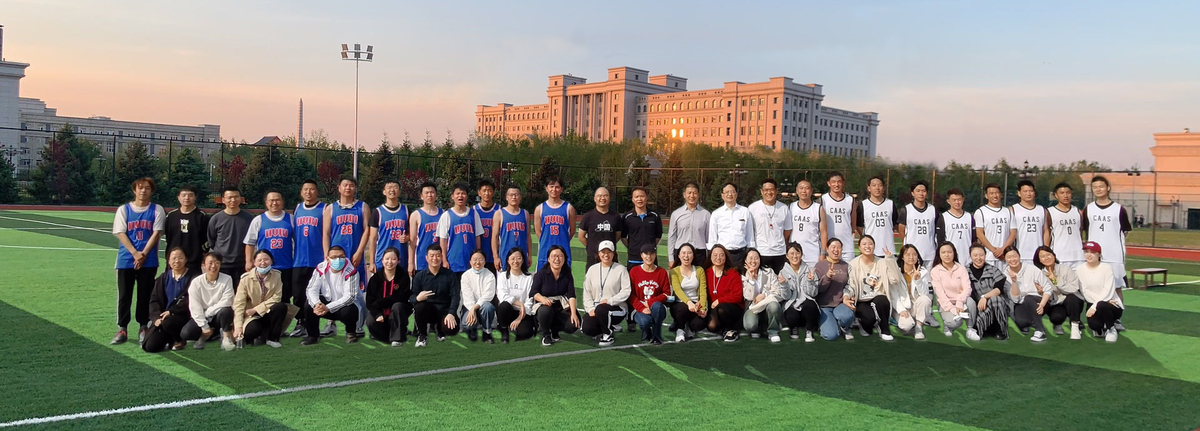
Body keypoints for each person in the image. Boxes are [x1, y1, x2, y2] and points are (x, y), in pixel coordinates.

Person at [111, 177, 166, 345]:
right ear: (134, 190)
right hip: (126, 259)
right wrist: (135, 253)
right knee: (124, 295)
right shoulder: (124, 209)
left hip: (148, 260)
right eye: (140, 188)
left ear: (151, 191)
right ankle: (122, 328)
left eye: (147, 188)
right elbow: (120, 233)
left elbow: (156, 233)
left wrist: (143, 254)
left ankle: (143, 326)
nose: (143, 191)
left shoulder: (157, 210)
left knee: (145, 295)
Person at [323, 177, 371, 338]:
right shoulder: (331, 208)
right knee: (332, 290)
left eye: (351, 185)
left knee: (357, 292)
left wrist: (359, 252)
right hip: (336, 258)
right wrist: (327, 255)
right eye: (345, 185)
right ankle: (331, 324)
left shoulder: (363, 207)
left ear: (355, 188)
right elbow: (326, 233)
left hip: (355, 256)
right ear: (339, 187)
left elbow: (367, 230)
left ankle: (358, 325)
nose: (348, 188)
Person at [1083, 175, 1132, 331]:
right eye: (1095, 187)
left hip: (1114, 255)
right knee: (1094, 287)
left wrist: (1113, 244)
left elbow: (1125, 231)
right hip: (1094, 256)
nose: (1098, 189)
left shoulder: (1119, 209)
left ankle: (1116, 319)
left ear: (1108, 188)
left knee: (1116, 289)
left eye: (1101, 186)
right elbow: (1085, 229)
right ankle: (1098, 319)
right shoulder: (1089, 209)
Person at [242, 191, 294, 322]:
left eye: (277, 200)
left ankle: (281, 327)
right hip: (264, 267)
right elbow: (250, 243)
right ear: (266, 202)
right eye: (271, 200)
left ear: (282, 201)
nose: (274, 203)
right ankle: (262, 325)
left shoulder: (291, 219)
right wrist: (248, 261)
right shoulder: (258, 220)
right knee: (264, 297)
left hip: (285, 266)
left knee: (284, 299)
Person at [233, 250, 299, 348]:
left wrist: (255, 309)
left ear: (271, 261)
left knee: (280, 306)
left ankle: (273, 338)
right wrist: (238, 327)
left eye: (266, 259)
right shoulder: (245, 279)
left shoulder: (277, 275)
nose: (263, 263)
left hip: (267, 312)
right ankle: (259, 335)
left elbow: (276, 298)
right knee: (252, 331)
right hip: (251, 316)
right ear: (254, 262)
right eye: (259, 260)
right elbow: (239, 304)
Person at [300, 246, 361, 345]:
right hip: (326, 301)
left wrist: (328, 307)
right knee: (308, 305)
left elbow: (350, 297)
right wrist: (317, 304)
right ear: (328, 259)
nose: (338, 260)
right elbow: (311, 289)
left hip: (343, 306)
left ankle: (351, 332)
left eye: (341, 257)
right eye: (334, 257)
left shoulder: (351, 272)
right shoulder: (320, 268)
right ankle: (312, 336)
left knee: (350, 310)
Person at [143, 248, 201, 352]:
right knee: (150, 346)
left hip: (183, 315)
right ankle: (170, 337)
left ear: (186, 259)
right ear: (168, 261)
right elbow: (154, 299)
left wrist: (172, 311)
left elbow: (192, 299)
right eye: (173, 258)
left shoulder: (194, 277)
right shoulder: (164, 277)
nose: (177, 261)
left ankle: (179, 339)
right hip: (164, 318)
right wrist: (156, 318)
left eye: (180, 258)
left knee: (168, 323)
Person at [290, 179, 326, 337]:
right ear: (301, 192)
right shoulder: (297, 208)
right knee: (298, 294)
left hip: (318, 259)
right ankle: (300, 322)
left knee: (317, 293)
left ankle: (315, 323)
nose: (308, 192)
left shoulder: (324, 208)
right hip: (299, 259)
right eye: (305, 189)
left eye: (312, 189)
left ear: (317, 191)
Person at [845, 235, 897, 341]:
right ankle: (863, 323)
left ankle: (884, 330)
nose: (867, 246)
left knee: (882, 300)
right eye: (864, 244)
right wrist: (846, 296)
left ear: (874, 246)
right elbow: (851, 284)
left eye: (870, 244)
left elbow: (895, 279)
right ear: (859, 247)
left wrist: (890, 260)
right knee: (869, 320)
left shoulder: (882, 262)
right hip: (862, 300)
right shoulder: (853, 264)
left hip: (878, 297)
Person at [581, 240, 631, 347]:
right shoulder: (592, 269)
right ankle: (609, 326)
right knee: (587, 328)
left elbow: (626, 291)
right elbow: (587, 292)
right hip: (596, 308)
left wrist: (610, 301)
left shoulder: (621, 269)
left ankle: (608, 334)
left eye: (609, 252)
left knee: (602, 309)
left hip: (617, 308)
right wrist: (590, 308)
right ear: (599, 254)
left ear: (613, 254)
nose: (606, 255)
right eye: (603, 252)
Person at [410, 244, 461, 347]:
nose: (435, 258)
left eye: (438, 255)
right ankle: (422, 335)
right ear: (426, 258)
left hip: (444, 310)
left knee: (452, 329)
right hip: (428, 311)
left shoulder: (450, 275)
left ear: (442, 257)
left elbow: (455, 296)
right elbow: (411, 297)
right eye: (432, 256)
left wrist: (451, 313)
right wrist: (417, 298)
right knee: (419, 307)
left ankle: (440, 329)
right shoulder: (420, 276)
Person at [529, 245, 580, 346]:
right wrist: (543, 299)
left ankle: (555, 331)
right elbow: (533, 292)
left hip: (560, 304)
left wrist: (573, 313)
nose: (557, 259)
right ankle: (546, 334)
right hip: (545, 305)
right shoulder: (541, 274)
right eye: (554, 256)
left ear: (564, 258)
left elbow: (571, 295)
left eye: (560, 256)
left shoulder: (567, 274)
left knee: (573, 324)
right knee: (546, 311)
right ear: (548, 259)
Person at [185, 252, 236, 351]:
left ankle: (226, 338)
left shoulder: (227, 279)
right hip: (202, 316)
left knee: (227, 310)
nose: (213, 266)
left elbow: (227, 301)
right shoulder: (196, 282)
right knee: (186, 333)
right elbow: (195, 307)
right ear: (203, 265)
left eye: (217, 263)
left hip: (217, 315)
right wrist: (204, 326)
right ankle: (206, 335)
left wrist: (208, 312)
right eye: (210, 263)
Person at [1032, 246, 1086, 339]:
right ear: (1039, 260)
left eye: (1048, 254)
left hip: (1072, 301)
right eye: (1043, 256)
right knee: (1056, 317)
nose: (1046, 258)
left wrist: (1056, 280)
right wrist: (1041, 292)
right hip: (1056, 303)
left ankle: (1075, 326)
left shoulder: (1066, 269)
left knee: (1072, 299)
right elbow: (1048, 297)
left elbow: (1074, 288)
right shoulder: (1040, 275)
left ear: (1054, 255)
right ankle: (1057, 323)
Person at [1075, 241, 1124, 342]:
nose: (1089, 255)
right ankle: (1102, 325)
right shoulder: (1079, 269)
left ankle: (1111, 328)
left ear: (1099, 254)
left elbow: (1108, 290)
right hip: (1097, 302)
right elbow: (1085, 291)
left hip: (1111, 304)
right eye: (1086, 251)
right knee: (1095, 325)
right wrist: (1099, 303)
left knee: (1102, 305)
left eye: (1092, 252)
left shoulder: (1107, 268)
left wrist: (1097, 305)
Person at [365, 247, 412, 347]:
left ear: (398, 261)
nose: (390, 262)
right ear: (382, 260)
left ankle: (397, 338)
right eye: (387, 259)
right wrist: (377, 314)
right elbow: (369, 301)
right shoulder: (375, 279)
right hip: (380, 310)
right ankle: (391, 335)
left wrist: (382, 302)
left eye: (393, 259)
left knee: (397, 306)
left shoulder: (403, 276)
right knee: (370, 321)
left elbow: (403, 297)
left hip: (398, 310)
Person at [437, 182, 484, 281]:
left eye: (463, 193)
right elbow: (443, 240)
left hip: (471, 262)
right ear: (452, 196)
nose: (460, 196)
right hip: (453, 262)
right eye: (457, 193)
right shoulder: (447, 215)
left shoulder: (474, 214)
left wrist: (478, 256)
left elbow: (477, 236)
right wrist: (444, 260)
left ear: (467, 196)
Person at [966, 243, 1013, 340]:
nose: (978, 258)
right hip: (978, 309)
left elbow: (998, 289)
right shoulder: (965, 271)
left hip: (996, 306)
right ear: (970, 256)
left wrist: (985, 297)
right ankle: (979, 327)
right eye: (975, 255)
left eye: (981, 255)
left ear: (985, 255)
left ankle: (1000, 330)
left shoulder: (993, 270)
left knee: (995, 299)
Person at [930, 241, 977, 338]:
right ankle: (948, 326)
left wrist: (959, 303)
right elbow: (940, 294)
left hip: (961, 301)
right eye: (943, 252)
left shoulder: (961, 268)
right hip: (946, 303)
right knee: (956, 322)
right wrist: (953, 309)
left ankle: (970, 328)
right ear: (939, 254)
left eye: (949, 252)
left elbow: (967, 288)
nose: (946, 255)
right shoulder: (935, 271)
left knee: (971, 302)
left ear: (954, 253)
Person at [208, 186, 254, 282]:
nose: (233, 200)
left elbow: (253, 240)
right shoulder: (216, 219)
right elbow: (211, 240)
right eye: (229, 197)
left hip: (242, 263)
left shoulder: (249, 218)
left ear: (241, 199)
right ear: (223, 200)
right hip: (221, 263)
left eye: (236, 197)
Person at [1003, 246, 1049, 342]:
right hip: (1021, 302)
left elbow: (1048, 288)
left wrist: (1042, 304)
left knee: (1028, 298)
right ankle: (1032, 320)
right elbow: (1015, 299)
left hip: (1038, 300)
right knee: (1022, 322)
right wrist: (1014, 282)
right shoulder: (1005, 275)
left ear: (1019, 256)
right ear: (1005, 259)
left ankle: (1040, 330)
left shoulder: (1032, 269)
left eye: (1014, 256)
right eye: (1009, 257)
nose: (1012, 259)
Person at [707, 182, 755, 272]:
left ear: (736, 194)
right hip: (723, 255)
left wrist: (750, 252)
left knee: (741, 278)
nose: (730, 194)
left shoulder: (745, 211)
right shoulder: (716, 214)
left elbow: (750, 235)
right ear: (722, 195)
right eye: (727, 192)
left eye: (732, 192)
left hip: (741, 254)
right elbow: (712, 238)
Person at [777, 242, 820, 342]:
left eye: (797, 253)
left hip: (806, 307)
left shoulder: (810, 270)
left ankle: (809, 330)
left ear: (802, 254)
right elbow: (786, 297)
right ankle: (793, 328)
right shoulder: (783, 272)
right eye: (791, 253)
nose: (795, 256)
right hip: (792, 304)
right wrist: (784, 285)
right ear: (787, 256)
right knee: (791, 315)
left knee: (810, 305)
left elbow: (813, 294)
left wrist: (810, 281)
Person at [814, 238, 855, 341]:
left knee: (847, 316)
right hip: (824, 306)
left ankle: (845, 328)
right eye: (833, 247)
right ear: (827, 249)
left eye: (839, 247)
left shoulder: (845, 265)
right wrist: (827, 277)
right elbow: (819, 289)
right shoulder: (820, 265)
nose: (836, 250)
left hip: (841, 304)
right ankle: (828, 325)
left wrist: (847, 296)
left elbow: (850, 285)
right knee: (831, 335)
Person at [749, 178, 792, 274]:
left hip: (779, 252)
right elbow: (750, 230)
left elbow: (787, 231)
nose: (769, 192)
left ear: (776, 191)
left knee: (779, 280)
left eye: (771, 189)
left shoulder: (784, 208)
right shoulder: (753, 208)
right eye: (766, 190)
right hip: (760, 251)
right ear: (761, 191)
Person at [629, 245, 670, 345]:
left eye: (651, 254)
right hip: (640, 307)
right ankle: (646, 331)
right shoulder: (634, 271)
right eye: (646, 254)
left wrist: (650, 302)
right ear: (641, 255)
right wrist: (642, 308)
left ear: (655, 255)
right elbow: (631, 295)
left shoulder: (661, 272)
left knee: (656, 306)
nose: (649, 257)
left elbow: (666, 293)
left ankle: (656, 335)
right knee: (645, 322)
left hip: (657, 307)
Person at [741, 248, 784, 342]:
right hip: (753, 307)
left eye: (756, 258)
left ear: (760, 260)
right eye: (750, 258)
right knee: (750, 325)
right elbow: (748, 297)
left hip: (768, 305)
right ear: (745, 260)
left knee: (774, 306)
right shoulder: (743, 276)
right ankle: (760, 327)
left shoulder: (769, 272)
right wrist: (751, 279)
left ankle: (773, 331)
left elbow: (778, 292)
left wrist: (764, 295)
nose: (753, 261)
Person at [367, 180, 409, 278]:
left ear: (399, 192)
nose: (392, 190)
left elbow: (412, 233)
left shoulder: (406, 211)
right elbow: (373, 239)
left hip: (401, 258)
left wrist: (407, 237)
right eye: (389, 188)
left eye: (395, 187)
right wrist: (371, 262)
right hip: (382, 258)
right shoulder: (377, 212)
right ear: (384, 191)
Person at [533, 177, 576, 271]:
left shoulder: (569, 208)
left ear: (561, 189)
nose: (554, 189)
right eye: (551, 186)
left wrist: (563, 240)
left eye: (557, 187)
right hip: (545, 251)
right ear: (546, 188)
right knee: (543, 278)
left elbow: (572, 231)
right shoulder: (540, 209)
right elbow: (538, 231)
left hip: (563, 251)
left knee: (563, 278)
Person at [892, 244, 933, 340]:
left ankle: (919, 327)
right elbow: (893, 294)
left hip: (915, 306)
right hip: (902, 306)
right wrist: (901, 309)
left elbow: (924, 294)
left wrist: (918, 280)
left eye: (914, 254)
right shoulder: (897, 272)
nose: (911, 257)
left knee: (925, 299)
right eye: (908, 254)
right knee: (906, 327)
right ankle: (907, 323)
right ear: (902, 257)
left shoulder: (922, 272)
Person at [496, 247, 537, 343]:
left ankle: (516, 326)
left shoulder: (529, 278)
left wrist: (519, 318)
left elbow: (530, 300)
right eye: (512, 258)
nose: (515, 261)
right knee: (504, 305)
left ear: (523, 260)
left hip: (523, 312)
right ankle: (504, 329)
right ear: (508, 260)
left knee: (525, 333)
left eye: (519, 258)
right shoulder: (503, 276)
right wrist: (520, 304)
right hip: (508, 310)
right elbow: (502, 295)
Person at [705, 245, 745, 342]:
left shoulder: (733, 273)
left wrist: (720, 300)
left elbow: (737, 296)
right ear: (710, 257)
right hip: (713, 307)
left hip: (732, 307)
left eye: (721, 255)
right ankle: (723, 326)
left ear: (726, 257)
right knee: (712, 326)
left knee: (722, 309)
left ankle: (730, 329)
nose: (718, 258)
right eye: (715, 255)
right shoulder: (706, 273)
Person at [669, 243, 708, 342]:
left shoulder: (699, 270)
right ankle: (680, 330)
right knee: (683, 309)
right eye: (683, 253)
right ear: (679, 255)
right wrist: (689, 303)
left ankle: (689, 327)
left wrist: (702, 308)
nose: (686, 256)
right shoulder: (674, 271)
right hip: (679, 304)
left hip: (695, 305)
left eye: (689, 253)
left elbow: (703, 290)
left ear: (693, 255)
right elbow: (677, 290)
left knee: (699, 324)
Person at [164, 185, 208, 273]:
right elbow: (168, 236)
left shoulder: (201, 216)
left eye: (190, 195)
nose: (187, 198)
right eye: (183, 195)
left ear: (195, 197)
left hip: (193, 261)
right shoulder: (171, 216)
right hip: (174, 261)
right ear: (178, 197)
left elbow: (206, 239)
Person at [578, 186, 623, 270]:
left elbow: (617, 236)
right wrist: (591, 246)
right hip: (593, 257)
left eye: (605, 195)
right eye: (599, 196)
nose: (602, 198)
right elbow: (581, 236)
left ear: (609, 198)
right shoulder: (588, 216)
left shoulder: (615, 216)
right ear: (595, 198)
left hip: (610, 257)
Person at [667, 182, 710, 268]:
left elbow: (708, 238)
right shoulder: (676, 214)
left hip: (699, 254)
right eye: (689, 193)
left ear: (698, 195)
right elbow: (672, 237)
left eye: (695, 193)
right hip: (680, 253)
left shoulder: (706, 214)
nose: (692, 196)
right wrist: (671, 258)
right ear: (684, 195)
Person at [898, 180, 938, 270]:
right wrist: (908, 247)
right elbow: (901, 230)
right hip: (912, 255)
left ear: (927, 193)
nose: (921, 193)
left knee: (929, 278)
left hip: (929, 254)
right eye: (918, 191)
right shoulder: (906, 210)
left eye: (923, 191)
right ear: (912, 193)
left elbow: (936, 230)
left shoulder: (932, 209)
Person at [788, 179, 828, 269]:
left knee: (812, 277)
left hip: (812, 253)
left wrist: (823, 253)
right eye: (801, 188)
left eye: (807, 188)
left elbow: (824, 232)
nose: (804, 191)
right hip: (794, 253)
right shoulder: (791, 207)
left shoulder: (818, 209)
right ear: (797, 190)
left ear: (811, 190)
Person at [459, 249, 497, 343]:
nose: (477, 262)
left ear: (485, 261)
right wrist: (472, 309)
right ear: (470, 261)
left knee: (488, 307)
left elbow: (488, 295)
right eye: (475, 260)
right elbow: (467, 296)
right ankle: (472, 329)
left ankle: (487, 332)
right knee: (467, 323)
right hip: (469, 306)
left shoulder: (490, 275)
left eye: (481, 259)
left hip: (484, 306)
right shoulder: (466, 275)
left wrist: (475, 308)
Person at [856, 176, 898, 257]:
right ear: (869, 188)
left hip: (889, 250)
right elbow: (859, 226)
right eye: (874, 185)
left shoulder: (890, 204)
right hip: (870, 251)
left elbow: (895, 224)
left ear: (883, 188)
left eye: (880, 185)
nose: (877, 188)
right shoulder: (863, 205)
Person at [973, 183, 1014, 266]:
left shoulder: (1008, 212)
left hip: (1005, 256)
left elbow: (1013, 233)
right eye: (991, 193)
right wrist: (994, 250)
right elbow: (979, 233)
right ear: (986, 196)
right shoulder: (980, 212)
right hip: (989, 256)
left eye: (997, 193)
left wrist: (1003, 250)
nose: (995, 196)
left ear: (1001, 195)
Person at [1046, 183, 1085, 269]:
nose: (1065, 196)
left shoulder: (1078, 212)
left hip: (1078, 256)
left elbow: (1081, 231)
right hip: (1059, 256)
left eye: (1068, 193)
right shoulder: (1049, 212)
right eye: (1062, 193)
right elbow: (1047, 233)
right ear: (1056, 195)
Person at [492, 184, 530, 272]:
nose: (514, 197)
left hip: (521, 256)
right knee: (505, 279)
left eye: (516, 195)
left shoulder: (525, 214)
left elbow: (528, 236)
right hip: (505, 256)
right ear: (506, 197)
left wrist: (530, 255)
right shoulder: (499, 214)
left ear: (520, 197)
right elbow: (494, 237)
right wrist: (495, 257)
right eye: (511, 195)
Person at [1010, 180, 1049, 265]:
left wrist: (1046, 250)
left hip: (1038, 255)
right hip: (1020, 253)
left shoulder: (1042, 210)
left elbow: (1046, 231)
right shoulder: (1013, 210)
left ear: (1034, 193)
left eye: (1031, 191)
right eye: (1025, 191)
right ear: (1019, 193)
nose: (1028, 194)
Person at [409, 181, 444, 276]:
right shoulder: (416, 215)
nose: (429, 195)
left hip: (439, 259)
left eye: (432, 192)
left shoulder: (444, 214)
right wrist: (411, 263)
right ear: (421, 196)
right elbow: (412, 241)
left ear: (436, 195)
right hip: (421, 260)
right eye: (427, 193)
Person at [622, 187, 662, 268]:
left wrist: (650, 247)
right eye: (636, 197)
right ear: (633, 199)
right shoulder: (627, 217)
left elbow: (658, 235)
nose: (639, 199)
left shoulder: (655, 215)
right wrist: (632, 247)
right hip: (634, 258)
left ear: (646, 198)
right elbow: (623, 236)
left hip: (650, 257)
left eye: (642, 196)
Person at [821, 171, 856, 262]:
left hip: (847, 246)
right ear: (828, 183)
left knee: (849, 270)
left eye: (839, 182)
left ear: (843, 183)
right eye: (833, 182)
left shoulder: (850, 200)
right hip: (829, 245)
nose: (836, 184)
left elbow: (853, 224)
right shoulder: (823, 200)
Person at [936, 187, 974, 267]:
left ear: (963, 199)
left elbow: (974, 239)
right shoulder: (943, 218)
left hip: (968, 259)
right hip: (950, 259)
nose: (957, 202)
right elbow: (940, 240)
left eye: (959, 199)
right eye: (954, 200)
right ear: (948, 201)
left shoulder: (969, 217)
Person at [474, 180, 500, 273]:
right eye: (484, 190)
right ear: (479, 193)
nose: (487, 193)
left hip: (495, 254)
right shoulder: (474, 210)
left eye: (489, 190)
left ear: (493, 192)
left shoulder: (499, 210)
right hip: (479, 254)